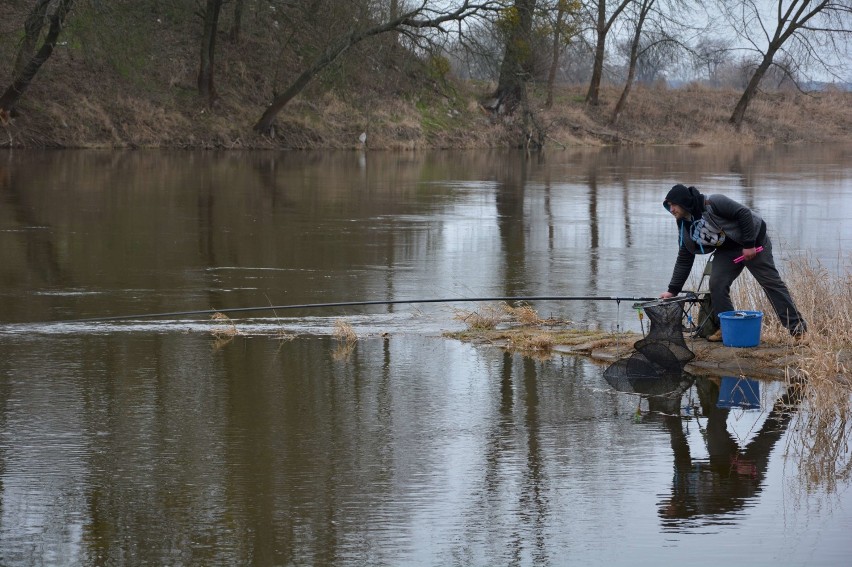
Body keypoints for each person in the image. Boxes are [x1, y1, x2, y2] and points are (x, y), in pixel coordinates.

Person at [659, 184, 806, 341]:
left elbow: (743, 214)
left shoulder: (713, 202)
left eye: (673, 204)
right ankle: (728, 329)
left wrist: (749, 245)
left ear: (683, 202)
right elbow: (685, 257)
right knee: (717, 284)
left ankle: (798, 331)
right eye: (669, 206)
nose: (671, 209)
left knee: (771, 284)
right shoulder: (683, 223)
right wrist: (672, 290)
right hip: (727, 250)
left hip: (755, 242)